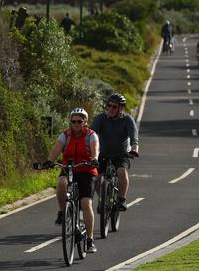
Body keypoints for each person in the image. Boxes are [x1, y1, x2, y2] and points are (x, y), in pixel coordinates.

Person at [43, 108, 99, 253]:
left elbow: (95, 148)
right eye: (73, 121)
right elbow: (56, 149)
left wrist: (94, 159)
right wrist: (49, 161)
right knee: (61, 183)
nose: (75, 124)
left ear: (85, 122)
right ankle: (62, 212)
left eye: (79, 121)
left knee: (86, 203)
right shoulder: (66, 135)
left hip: (86, 170)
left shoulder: (91, 135)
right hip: (69, 168)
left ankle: (89, 240)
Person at [90, 93, 139, 212]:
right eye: (109, 106)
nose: (111, 109)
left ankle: (121, 199)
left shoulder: (128, 120)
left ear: (121, 108)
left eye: (114, 107)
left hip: (121, 155)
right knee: (96, 178)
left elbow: (134, 138)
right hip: (102, 154)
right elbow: (90, 135)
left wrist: (134, 149)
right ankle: (103, 198)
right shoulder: (100, 118)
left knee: (122, 172)